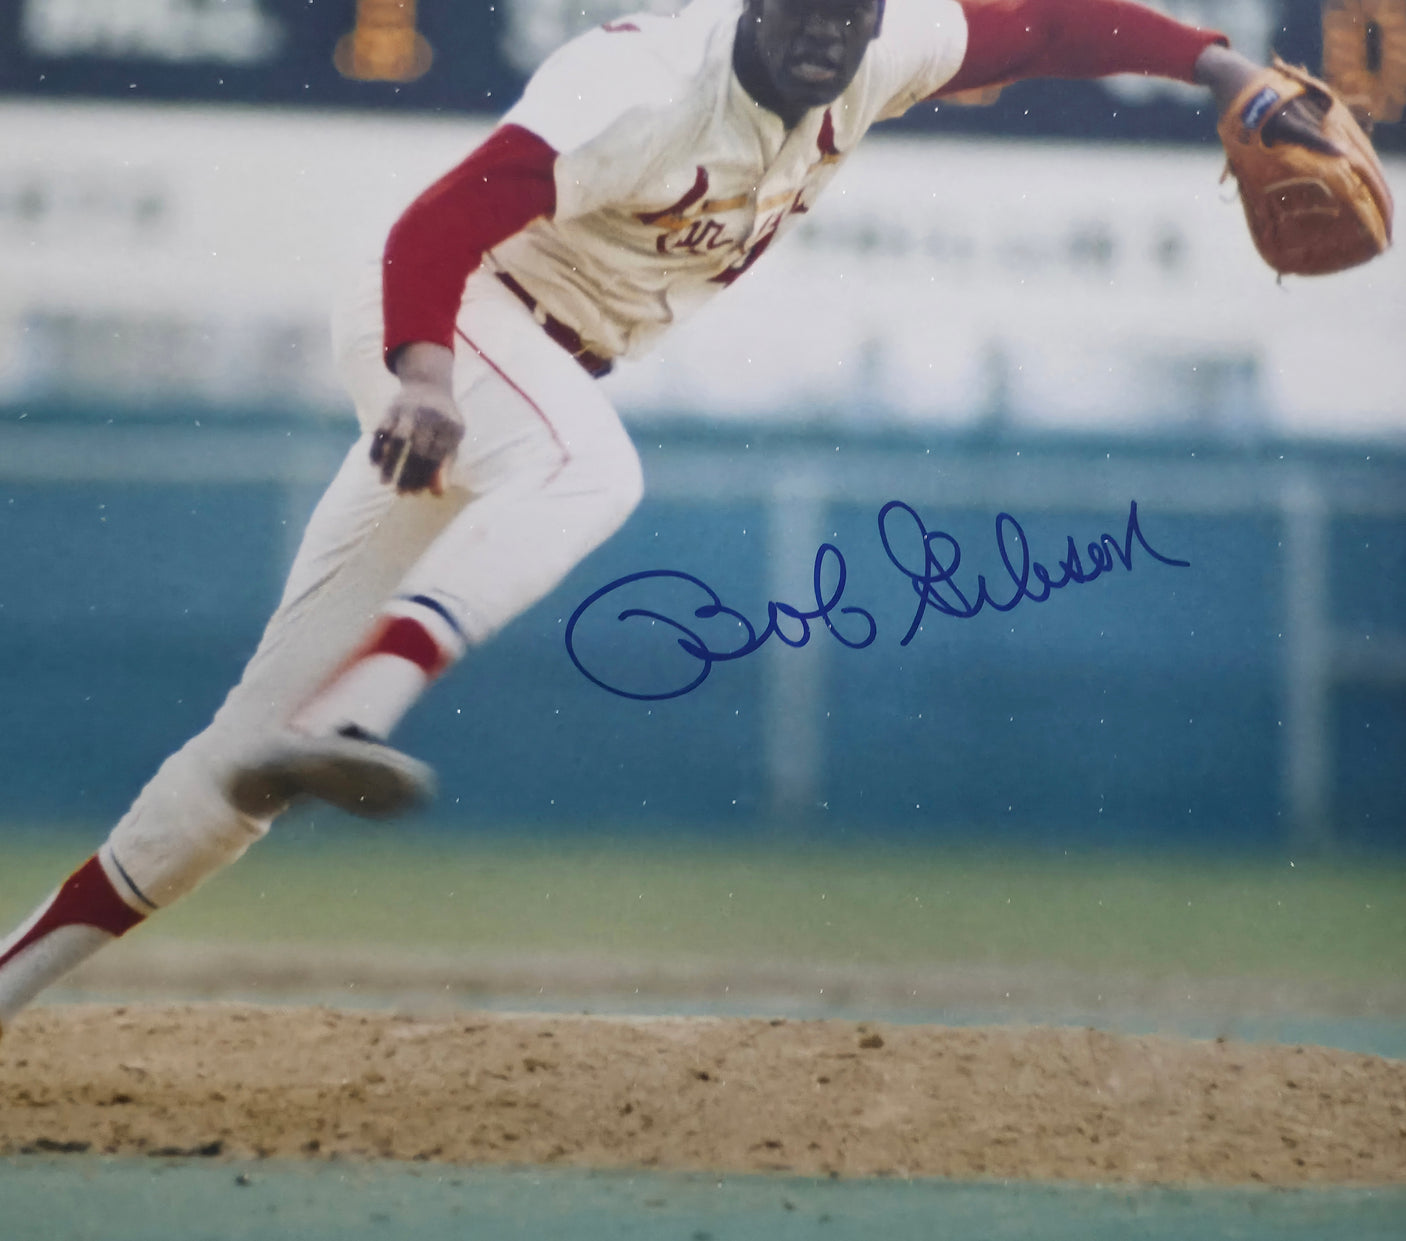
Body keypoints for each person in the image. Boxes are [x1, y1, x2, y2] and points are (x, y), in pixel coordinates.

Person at [0, 0, 1325, 1038]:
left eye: (846, 14)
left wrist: (1216, 66)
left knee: (241, 768)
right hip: (451, 325)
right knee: (596, 474)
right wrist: (421, 370)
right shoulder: (639, 94)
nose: (823, 33)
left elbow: (1043, 27)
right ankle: (358, 713)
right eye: (799, 10)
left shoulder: (883, 44)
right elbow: (435, 222)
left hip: (528, 380)